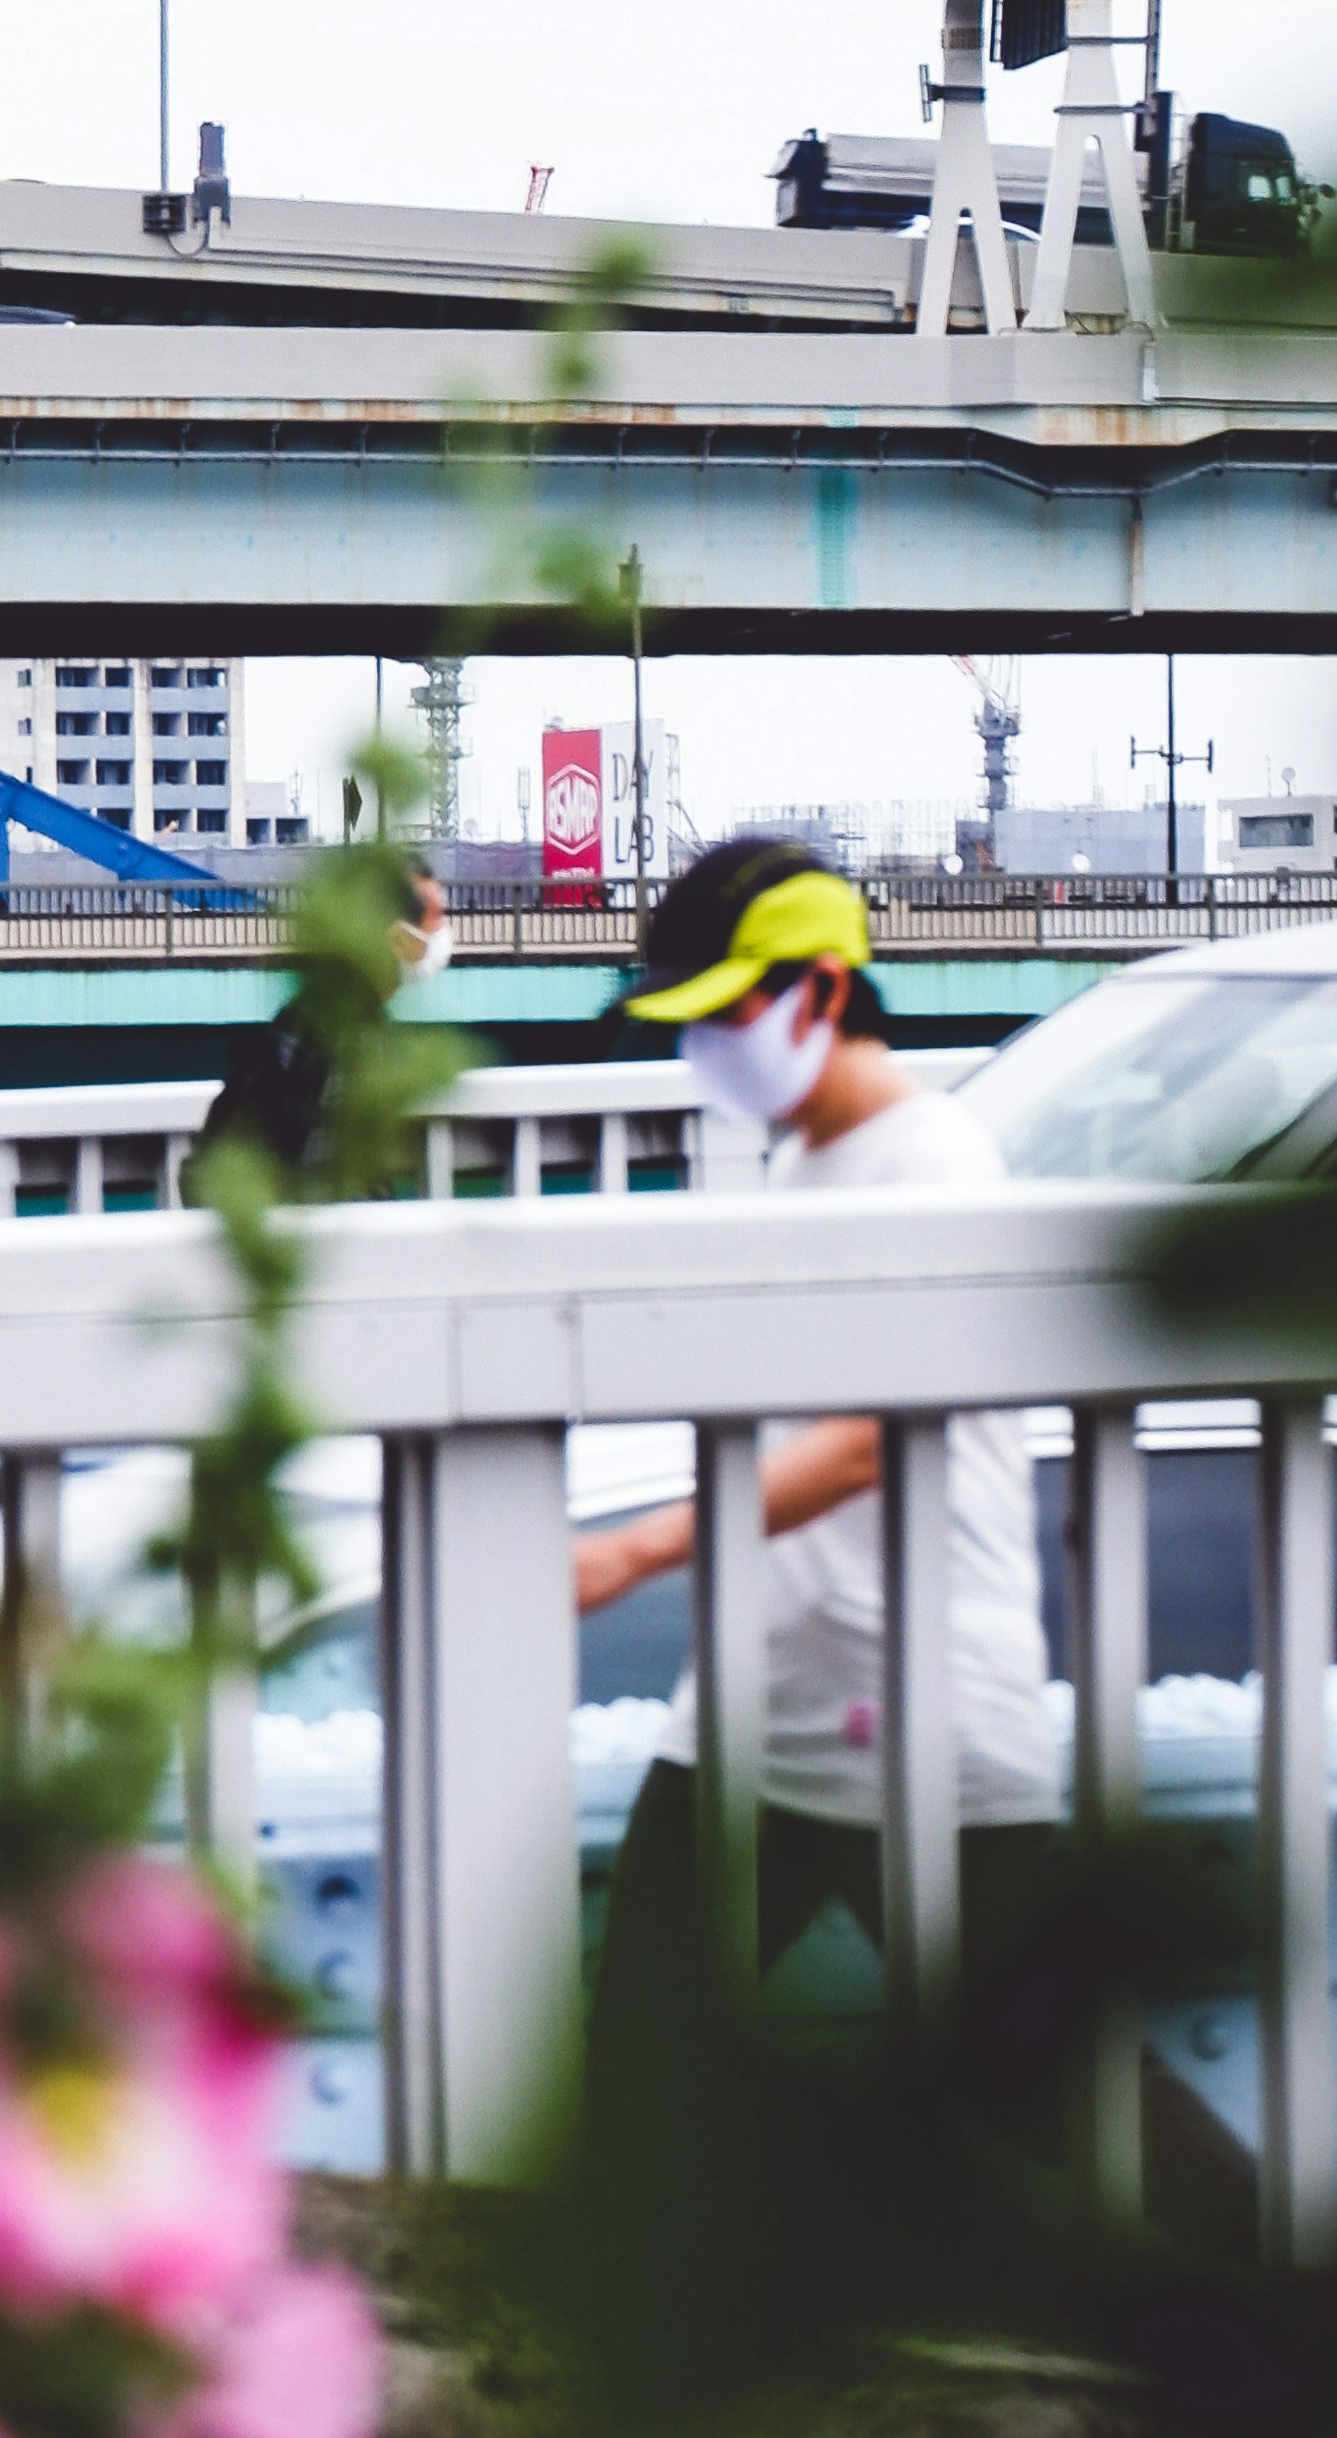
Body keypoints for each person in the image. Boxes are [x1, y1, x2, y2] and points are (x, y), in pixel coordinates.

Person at [574, 835, 1062, 2177]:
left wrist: (630, 1548)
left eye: (728, 1014)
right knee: (635, 2077)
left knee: (1059, 2123)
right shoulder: (801, 1164)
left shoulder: (936, 1163)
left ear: (825, 986)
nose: (709, 1052)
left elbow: (863, 1447)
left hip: (926, 1713)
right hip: (761, 1709)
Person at [186, 860, 449, 1189]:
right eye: (431, 917)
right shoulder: (349, 1034)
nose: (440, 932)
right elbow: (336, 1183)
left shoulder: (316, 1016)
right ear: (397, 937)